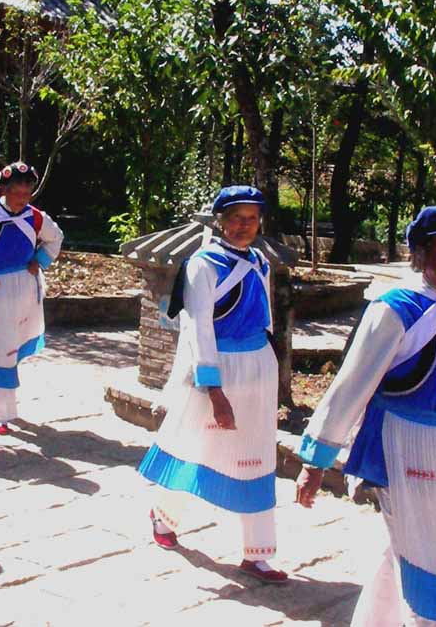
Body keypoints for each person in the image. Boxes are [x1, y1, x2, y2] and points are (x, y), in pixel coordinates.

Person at [294, 202, 436, 627]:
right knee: (427, 554)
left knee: (427, 546)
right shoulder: (395, 310)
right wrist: (316, 462)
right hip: (404, 447)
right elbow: (351, 387)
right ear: (420, 254)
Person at [137, 185, 287, 584]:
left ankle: (258, 553)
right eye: (236, 218)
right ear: (221, 220)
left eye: (252, 218)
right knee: (196, 444)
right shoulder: (203, 264)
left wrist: (267, 365)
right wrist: (214, 390)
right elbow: (198, 326)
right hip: (218, 367)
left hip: (258, 366)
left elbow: (266, 316)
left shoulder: (260, 262)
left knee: (258, 454)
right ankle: (164, 516)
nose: (244, 225)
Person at [0, 162, 64, 434]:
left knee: (11, 347)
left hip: (24, 289)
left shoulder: (36, 217)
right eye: (16, 190)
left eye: (27, 190)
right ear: (4, 189)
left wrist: (39, 260)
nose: (21, 196)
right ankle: (2, 414)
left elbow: (56, 238)